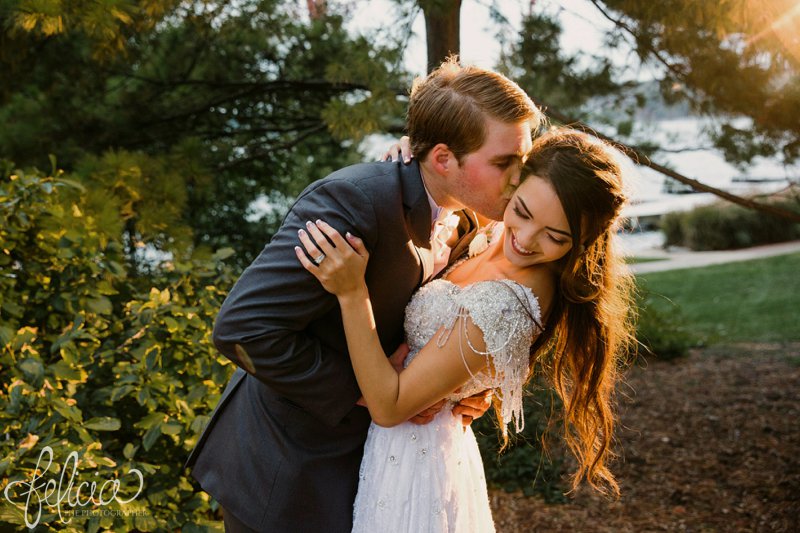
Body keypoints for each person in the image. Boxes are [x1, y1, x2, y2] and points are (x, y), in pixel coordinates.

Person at [184, 57, 543, 532]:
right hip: (290, 471)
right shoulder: (351, 203)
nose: (519, 178)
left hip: (384, 474)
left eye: (525, 159)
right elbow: (242, 329)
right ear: (441, 159)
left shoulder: (479, 214)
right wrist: (374, 391)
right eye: (505, 163)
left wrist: (466, 386)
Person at [295, 128, 636, 531]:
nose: (526, 240)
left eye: (555, 237)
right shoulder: (490, 229)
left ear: (582, 242)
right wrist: (416, 159)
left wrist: (352, 294)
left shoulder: (507, 305)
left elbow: (389, 407)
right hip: (398, 454)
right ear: (516, 180)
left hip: (415, 463)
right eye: (522, 212)